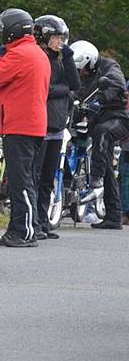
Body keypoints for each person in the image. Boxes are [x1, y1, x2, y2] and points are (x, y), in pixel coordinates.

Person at [0, 8, 50, 247]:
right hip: (31, 125)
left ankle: (23, 232)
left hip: (20, 125)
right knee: (25, 180)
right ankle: (26, 227)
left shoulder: (19, 55)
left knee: (20, 181)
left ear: (13, 31)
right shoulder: (35, 52)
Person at [70, 40, 129, 230]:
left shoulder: (109, 66)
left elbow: (116, 83)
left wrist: (101, 99)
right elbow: (75, 93)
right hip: (98, 119)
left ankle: (95, 180)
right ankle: (113, 215)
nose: (82, 73)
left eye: (84, 69)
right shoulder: (82, 75)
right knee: (108, 166)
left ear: (91, 60)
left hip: (118, 118)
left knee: (101, 133)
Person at [31, 15, 80, 239]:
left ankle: (43, 221)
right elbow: (47, 89)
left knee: (48, 178)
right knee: (36, 176)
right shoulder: (39, 59)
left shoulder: (60, 59)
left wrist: (68, 57)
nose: (60, 41)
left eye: (62, 37)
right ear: (44, 37)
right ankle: (33, 222)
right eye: (56, 37)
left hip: (57, 127)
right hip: (41, 127)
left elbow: (75, 85)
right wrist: (63, 89)